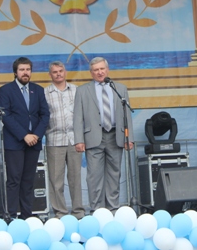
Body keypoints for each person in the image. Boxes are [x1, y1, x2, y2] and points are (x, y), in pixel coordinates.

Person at [73, 57, 134, 213]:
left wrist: (129, 138)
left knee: (114, 174)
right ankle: (97, 210)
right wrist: (79, 140)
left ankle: (113, 208)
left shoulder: (120, 88)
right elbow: (78, 117)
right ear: (91, 72)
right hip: (94, 137)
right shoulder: (82, 90)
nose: (99, 72)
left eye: (102, 69)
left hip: (115, 136)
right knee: (94, 176)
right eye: (96, 70)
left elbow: (127, 116)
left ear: (107, 70)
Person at [0, 57, 50, 219]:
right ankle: (12, 215)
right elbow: (6, 116)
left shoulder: (38, 90)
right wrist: (24, 135)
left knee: (29, 181)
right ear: (15, 72)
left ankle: (27, 215)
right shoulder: (6, 90)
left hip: (34, 142)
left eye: (28, 69)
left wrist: (36, 135)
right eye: (22, 70)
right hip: (15, 143)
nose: (25, 73)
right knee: (14, 180)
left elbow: (45, 115)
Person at [44, 61, 85, 219]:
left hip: (75, 139)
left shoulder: (76, 90)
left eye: (61, 71)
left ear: (65, 72)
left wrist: (82, 138)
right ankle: (60, 213)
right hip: (54, 139)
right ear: (50, 75)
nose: (58, 74)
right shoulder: (45, 93)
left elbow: (83, 114)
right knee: (56, 180)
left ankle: (78, 212)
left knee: (75, 178)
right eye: (55, 72)